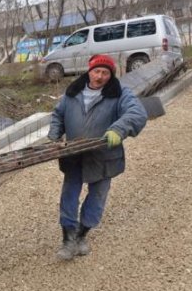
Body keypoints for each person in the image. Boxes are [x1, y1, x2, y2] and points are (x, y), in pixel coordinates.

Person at [47, 54, 147, 260]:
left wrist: (118, 130)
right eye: (96, 71)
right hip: (74, 154)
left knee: (97, 196)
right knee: (69, 195)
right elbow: (58, 114)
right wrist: (55, 135)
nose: (99, 76)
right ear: (89, 71)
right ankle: (68, 238)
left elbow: (137, 113)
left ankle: (82, 235)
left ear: (111, 75)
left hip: (104, 156)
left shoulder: (119, 94)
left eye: (105, 73)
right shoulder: (73, 92)